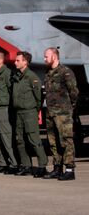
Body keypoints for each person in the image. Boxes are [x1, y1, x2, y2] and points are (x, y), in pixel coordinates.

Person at [43, 47, 79, 181]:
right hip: (51, 113)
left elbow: (74, 92)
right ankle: (57, 168)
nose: (45, 59)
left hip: (63, 113)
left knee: (66, 141)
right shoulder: (48, 73)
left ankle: (69, 169)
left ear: (54, 56)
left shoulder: (65, 72)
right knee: (53, 142)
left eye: (47, 56)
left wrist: (70, 108)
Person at [11, 51, 48, 177]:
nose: (15, 62)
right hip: (19, 113)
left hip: (29, 112)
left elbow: (39, 97)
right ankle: (26, 166)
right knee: (20, 140)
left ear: (25, 62)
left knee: (34, 139)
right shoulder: (17, 77)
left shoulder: (32, 77)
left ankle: (42, 166)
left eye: (18, 60)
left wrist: (35, 110)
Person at [0, 52, 18, 174]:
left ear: (0, 60)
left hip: (4, 109)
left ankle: (14, 164)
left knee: (6, 137)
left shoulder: (7, 74)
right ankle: (2, 163)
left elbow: (13, 92)